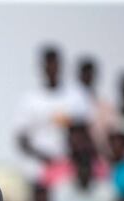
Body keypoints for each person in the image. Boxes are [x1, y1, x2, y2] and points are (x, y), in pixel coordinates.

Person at [15, 46, 89, 183]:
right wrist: (44, 157)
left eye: (54, 63)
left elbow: (84, 133)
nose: (52, 68)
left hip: (70, 170)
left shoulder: (76, 96)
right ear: (42, 67)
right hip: (37, 170)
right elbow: (21, 140)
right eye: (48, 64)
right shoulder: (30, 99)